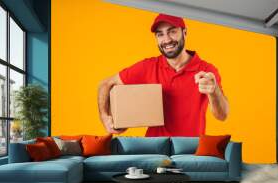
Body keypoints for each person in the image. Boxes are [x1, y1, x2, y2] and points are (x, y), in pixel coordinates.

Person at [97, 13, 229, 137]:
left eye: (172, 31)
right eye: (160, 34)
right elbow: (105, 84)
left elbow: (222, 115)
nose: (166, 40)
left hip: (189, 151)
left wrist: (214, 91)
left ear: (184, 32)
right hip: (154, 151)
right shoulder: (148, 66)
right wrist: (105, 118)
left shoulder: (206, 70)